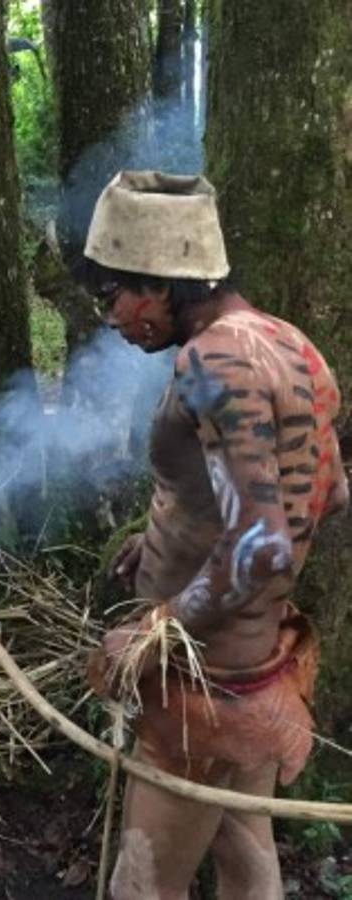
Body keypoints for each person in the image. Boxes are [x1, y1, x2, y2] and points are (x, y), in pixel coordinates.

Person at [83, 172, 348, 899]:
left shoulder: (209, 362)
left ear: (162, 281)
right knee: (243, 853)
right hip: (257, 663)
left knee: (139, 889)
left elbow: (257, 545)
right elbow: (326, 497)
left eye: (112, 295)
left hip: (203, 682)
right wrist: (167, 533)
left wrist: (152, 631)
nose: (109, 319)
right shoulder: (287, 343)